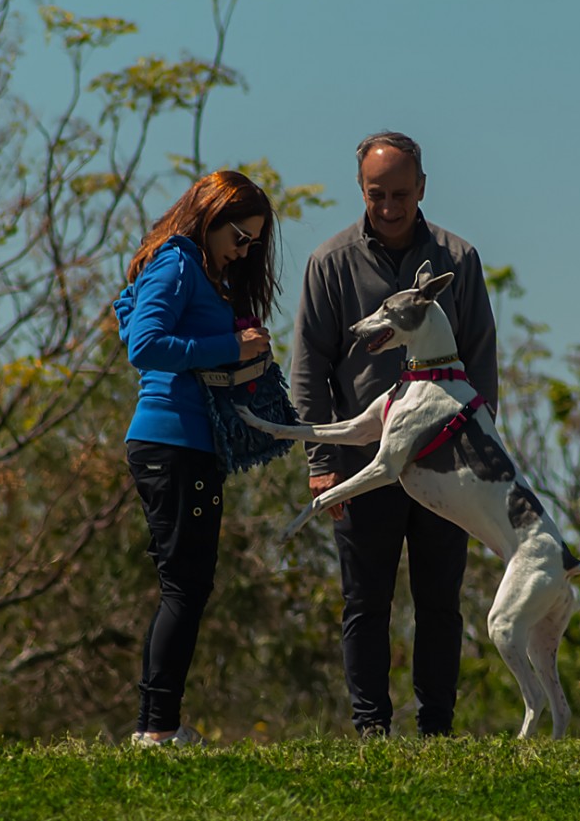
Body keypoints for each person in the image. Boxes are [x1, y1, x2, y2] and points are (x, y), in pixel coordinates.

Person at [291, 131, 499, 738]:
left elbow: (482, 362)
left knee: (439, 602)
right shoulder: (330, 263)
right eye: (376, 193)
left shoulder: (459, 261)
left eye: (400, 193)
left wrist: (479, 450)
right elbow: (309, 368)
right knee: (366, 604)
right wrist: (322, 462)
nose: (388, 206)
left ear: (422, 188)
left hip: (446, 465)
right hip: (362, 465)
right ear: (361, 190)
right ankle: (371, 731)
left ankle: (437, 729)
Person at [113, 170, 279, 747]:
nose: (245, 249)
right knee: (185, 587)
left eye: (254, 242)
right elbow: (145, 345)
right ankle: (157, 731)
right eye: (240, 234)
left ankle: (157, 726)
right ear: (209, 213)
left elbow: (132, 320)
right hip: (174, 439)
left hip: (188, 442)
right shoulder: (179, 260)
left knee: (186, 585)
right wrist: (231, 347)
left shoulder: (195, 269)